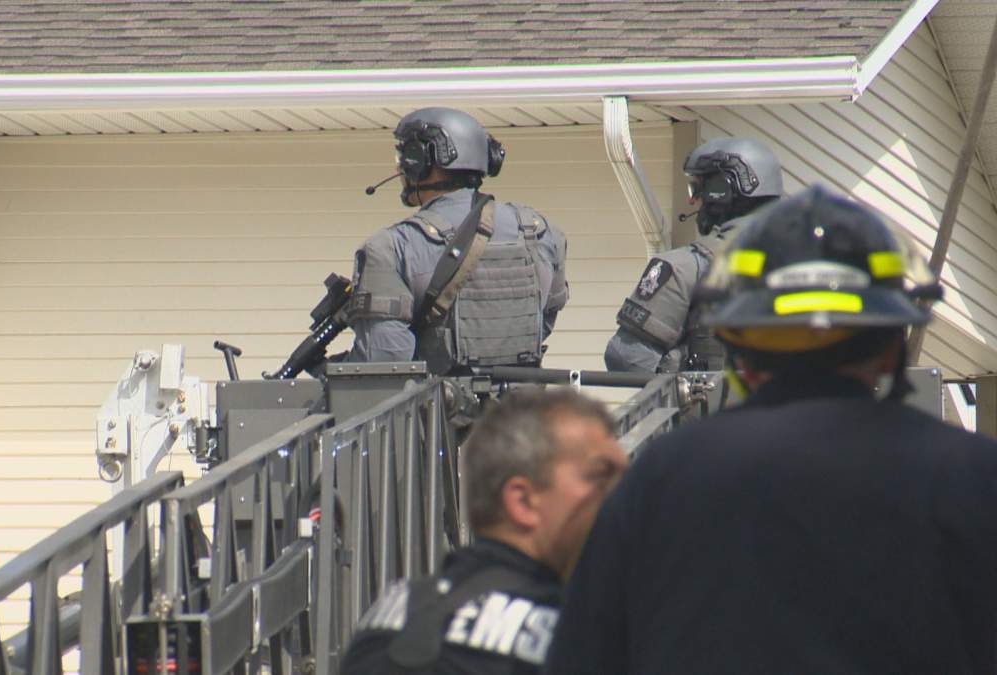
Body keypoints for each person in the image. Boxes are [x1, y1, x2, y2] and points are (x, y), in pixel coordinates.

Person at [547, 185, 997, 674]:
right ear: (891, 345)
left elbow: (584, 657)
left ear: (742, 352)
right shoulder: (972, 475)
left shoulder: (665, 475)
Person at [340, 387, 626, 674]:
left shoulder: (388, 617)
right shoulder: (577, 638)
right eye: (600, 477)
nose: (625, 495)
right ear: (523, 501)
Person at [348, 107, 568, 374]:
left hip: (438, 415)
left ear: (419, 161)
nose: (398, 165)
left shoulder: (391, 248)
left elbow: (384, 363)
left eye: (403, 155)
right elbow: (543, 321)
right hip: (523, 413)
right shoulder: (542, 232)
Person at [604, 137, 782, 373]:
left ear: (722, 189)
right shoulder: (814, 261)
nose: (692, 199)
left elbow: (625, 355)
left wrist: (685, 370)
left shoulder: (685, 267)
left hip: (716, 411)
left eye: (697, 188)